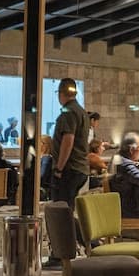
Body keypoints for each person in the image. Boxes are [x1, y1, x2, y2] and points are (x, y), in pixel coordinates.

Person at [50, 77, 90, 209]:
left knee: (61, 209)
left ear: (61, 93)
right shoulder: (81, 112)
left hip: (69, 169)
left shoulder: (68, 112)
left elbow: (68, 140)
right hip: (80, 167)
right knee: (69, 207)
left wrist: (59, 169)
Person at [110, 132, 139, 218]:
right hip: (131, 211)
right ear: (131, 150)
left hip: (129, 207)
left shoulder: (119, 159)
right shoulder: (124, 164)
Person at [38, 134, 53, 201]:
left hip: (43, 188)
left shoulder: (46, 158)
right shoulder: (44, 158)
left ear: (44, 145)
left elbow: (42, 176)